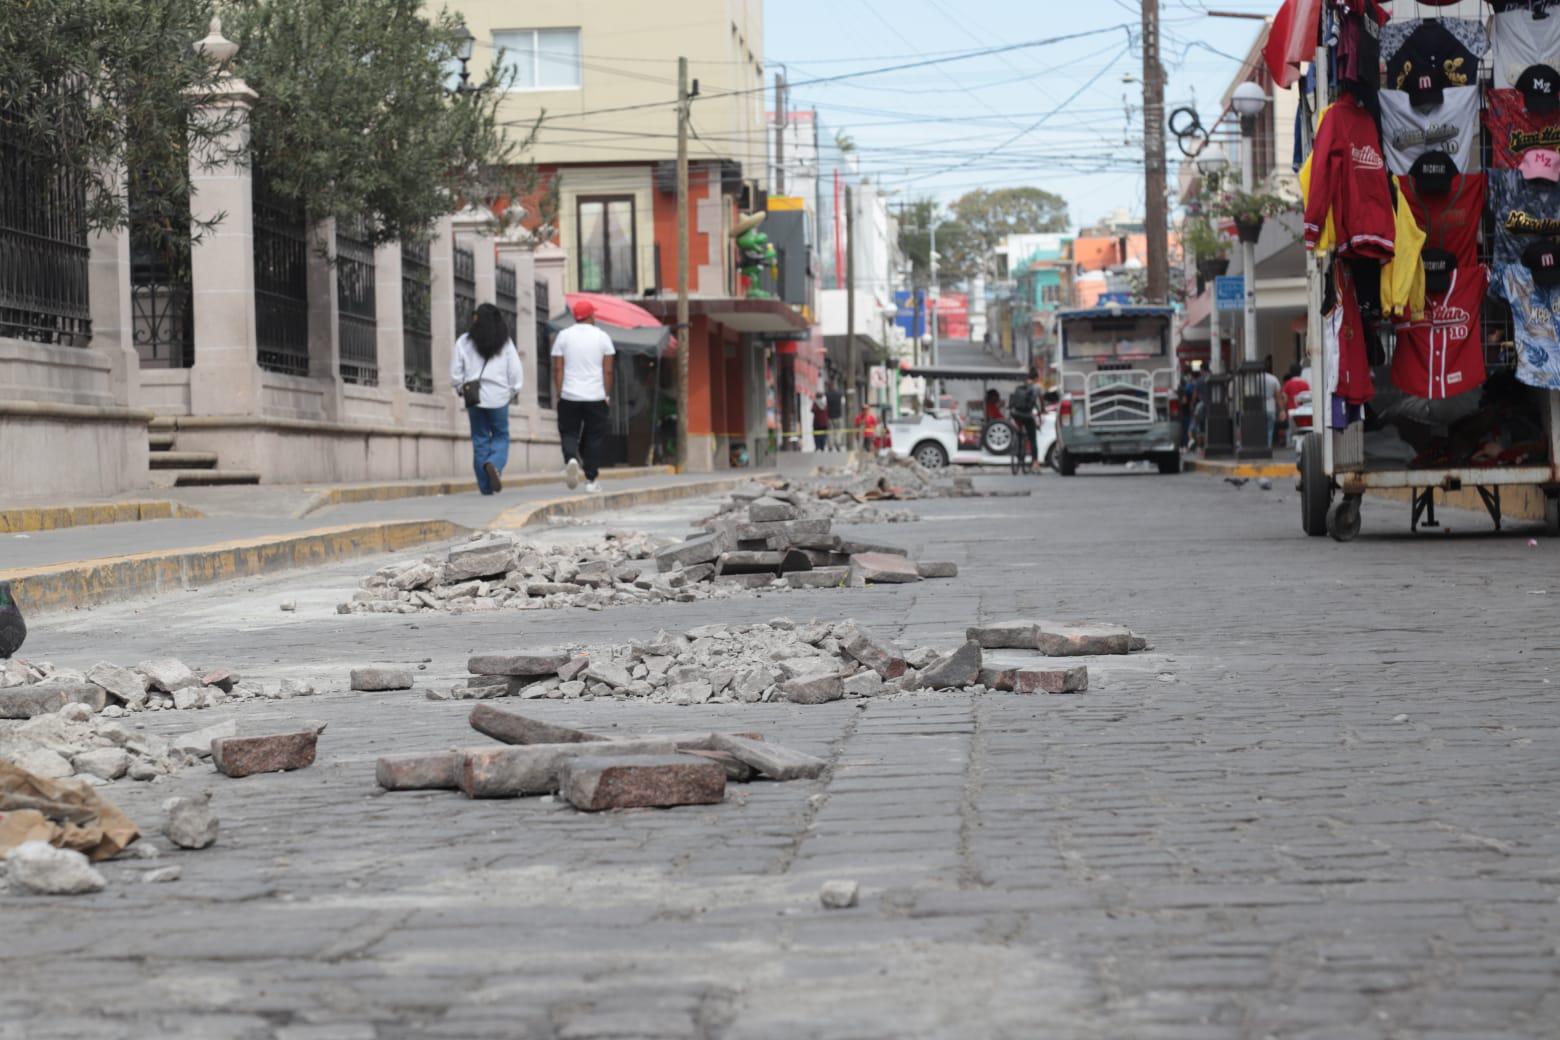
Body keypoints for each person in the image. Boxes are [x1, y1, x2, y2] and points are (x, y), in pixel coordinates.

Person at [449, 303, 524, 495]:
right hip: (499, 397)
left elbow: (455, 373)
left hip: (474, 396)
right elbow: (515, 371)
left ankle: (485, 486)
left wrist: (460, 387)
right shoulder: (505, 342)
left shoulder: (464, 341)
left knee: (480, 438)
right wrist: (513, 391)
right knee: (500, 435)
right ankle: (495, 462)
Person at [551, 299, 615, 493]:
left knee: (569, 432)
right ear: (591, 316)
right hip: (595, 396)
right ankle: (592, 480)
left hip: (570, 395)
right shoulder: (603, 337)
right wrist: (606, 394)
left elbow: (558, 368)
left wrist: (560, 394)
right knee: (594, 438)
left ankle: (571, 458)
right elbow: (608, 371)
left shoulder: (563, 336)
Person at [1007, 369, 1040, 471]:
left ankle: (1017, 446)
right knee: (1033, 439)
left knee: (1019, 432)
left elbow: (1012, 401)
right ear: (1036, 378)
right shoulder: (1036, 388)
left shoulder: (1019, 387)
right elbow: (1037, 402)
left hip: (1016, 414)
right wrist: (1040, 411)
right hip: (1027, 415)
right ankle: (1035, 463)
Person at [1262, 364, 1286, 448]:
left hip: (1259, 407)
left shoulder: (1256, 378)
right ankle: (1268, 446)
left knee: (1261, 428)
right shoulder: (1273, 379)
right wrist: (1282, 410)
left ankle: (1261, 445)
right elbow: (1278, 396)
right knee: (1270, 429)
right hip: (1271, 406)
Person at [825, 383, 844, 450]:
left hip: (830, 416)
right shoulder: (839, 394)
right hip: (838, 416)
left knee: (830, 431)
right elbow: (843, 403)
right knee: (838, 431)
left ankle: (830, 445)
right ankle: (837, 443)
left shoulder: (826, 395)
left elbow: (824, 405)